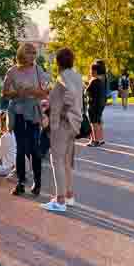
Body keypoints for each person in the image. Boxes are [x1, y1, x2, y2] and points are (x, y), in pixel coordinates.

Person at [2, 42, 49, 197]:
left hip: (33, 112)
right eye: (30, 53)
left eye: (34, 53)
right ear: (22, 54)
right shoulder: (12, 71)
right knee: (21, 149)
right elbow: (5, 93)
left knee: (34, 149)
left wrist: (33, 91)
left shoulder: (38, 69)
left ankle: (37, 182)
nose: (33, 56)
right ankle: (21, 182)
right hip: (18, 112)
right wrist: (16, 93)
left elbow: (45, 92)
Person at [43, 47, 83, 212]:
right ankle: (68, 195)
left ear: (58, 62)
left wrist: (64, 112)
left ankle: (60, 201)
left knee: (57, 161)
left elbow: (70, 95)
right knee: (66, 161)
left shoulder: (64, 76)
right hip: (73, 124)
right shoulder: (77, 76)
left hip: (62, 124)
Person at [86, 60, 107, 147]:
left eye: (91, 70)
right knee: (98, 122)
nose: (90, 72)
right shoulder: (102, 80)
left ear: (94, 71)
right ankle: (100, 139)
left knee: (93, 123)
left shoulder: (94, 81)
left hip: (93, 104)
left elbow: (86, 91)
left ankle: (95, 140)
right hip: (100, 104)